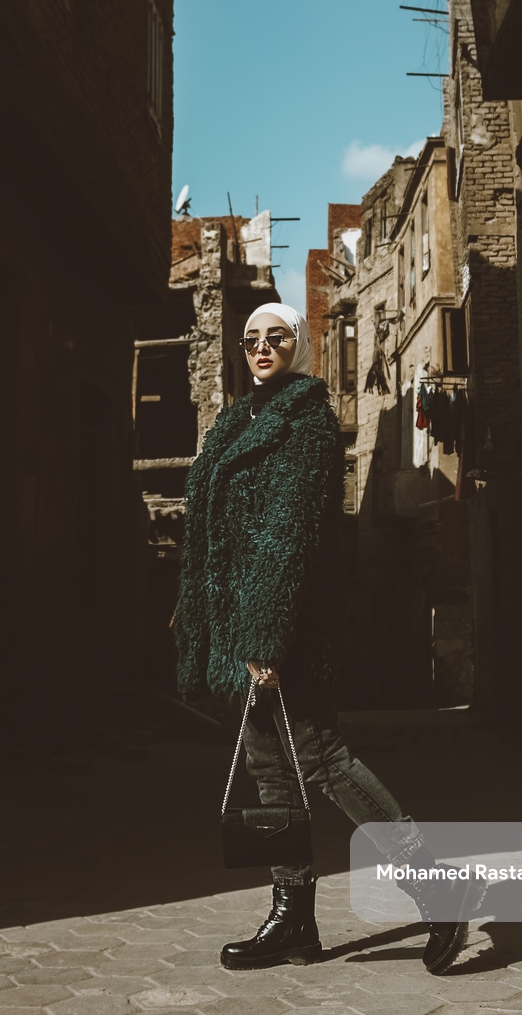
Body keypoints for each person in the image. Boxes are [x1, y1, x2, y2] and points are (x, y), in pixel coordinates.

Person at [172, 303, 485, 974]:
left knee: (320, 757)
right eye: (251, 339)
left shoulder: (307, 423)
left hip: (286, 626)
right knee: (270, 767)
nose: (261, 347)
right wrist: (199, 606)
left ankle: (438, 887)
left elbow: (288, 535)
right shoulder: (239, 419)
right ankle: (294, 919)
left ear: (302, 346)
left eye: (276, 337)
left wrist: (264, 635)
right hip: (246, 622)